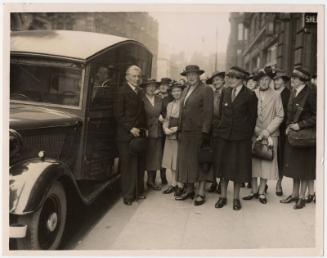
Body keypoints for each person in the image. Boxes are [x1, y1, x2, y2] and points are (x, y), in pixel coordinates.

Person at [213, 66, 258, 210]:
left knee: (238, 170)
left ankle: (236, 198)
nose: (230, 80)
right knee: (223, 168)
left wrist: (246, 136)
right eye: (229, 77)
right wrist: (220, 130)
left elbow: (252, 119)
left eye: (234, 77)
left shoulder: (250, 95)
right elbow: (220, 114)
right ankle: (223, 196)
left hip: (240, 139)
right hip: (224, 137)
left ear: (242, 80)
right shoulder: (225, 92)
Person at [243, 70, 284, 204]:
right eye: (261, 80)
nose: (264, 82)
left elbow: (280, 115)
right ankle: (253, 190)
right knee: (254, 161)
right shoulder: (252, 94)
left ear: (270, 81)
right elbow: (248, 114)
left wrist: (267, 131)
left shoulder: (276, 95)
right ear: (258, 81)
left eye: (267, 80)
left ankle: (261, 191)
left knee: (266, 160)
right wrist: (255, 129)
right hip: (254, 132)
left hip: (270, 134)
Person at [175, 65, 213, 206]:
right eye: (188, 74)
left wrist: (205, 132)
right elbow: (182, 111)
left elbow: (209, 113)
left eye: (193, 74)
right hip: (185, 132)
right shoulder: (185, 89)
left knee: (199, 161)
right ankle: (190, 189)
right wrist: (179, 129)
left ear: (198, 75)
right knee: (187, 162)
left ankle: (201, 192)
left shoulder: (206, 90)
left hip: (198, 132)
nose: (190, 77)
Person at [280, 67, 316, 209]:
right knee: (295, 167)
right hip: (294, 136)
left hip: (305, 137)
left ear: (302, 80)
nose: (292, 80)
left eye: (295, 78)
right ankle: (294, 194)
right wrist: (289, 126)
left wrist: (300, 125)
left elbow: (317, 116)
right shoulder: (294, 92)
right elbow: (290, 113)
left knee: (305, 169)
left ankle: (302, 197)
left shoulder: (311, 93)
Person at [114, 65, 147, 206]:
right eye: (134, 76)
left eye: (139, 76)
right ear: (127, 77)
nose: (137, 79)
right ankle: (128, 195)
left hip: (138, 134)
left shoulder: (140, 92)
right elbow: (118, 114)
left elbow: (142, 113)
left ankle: (137, 192)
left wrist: (143, 129)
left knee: (138, 164)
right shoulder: (121, 92)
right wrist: (130, 128)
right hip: (125, 135)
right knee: (127, 166)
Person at [162, 81, 185, 196]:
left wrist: (177, 128)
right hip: (169, 135)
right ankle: (173, 184)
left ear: (182, 91)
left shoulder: (184, 103)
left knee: (177, 161)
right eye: (174, 91)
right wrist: (165, 128)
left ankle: (180, 185)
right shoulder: (170, 104)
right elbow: (166, 119)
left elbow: (186, 120)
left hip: (179, 135)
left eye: (178, 91)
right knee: (170, 161)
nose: (176, 93)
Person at [142, 79, 164, 191]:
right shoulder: (141, 99)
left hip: (157, 131)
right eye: (149, 86)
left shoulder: (159, 99)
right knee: (146, 156)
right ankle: (143, 181)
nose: (151, 88)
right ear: (145, 88)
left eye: (153, 86)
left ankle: (151, 180)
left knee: (155, 156)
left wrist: (162, 117)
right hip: (146, 132)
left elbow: (164, 112)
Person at [206, 71, 225, 194]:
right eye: (214, 81)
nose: (216, 82)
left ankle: (222, 184)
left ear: (223, 80)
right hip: (212, 129)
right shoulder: (212, 94)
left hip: (223, 129)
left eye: (218, 80)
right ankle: (213, 182)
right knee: (212, 156)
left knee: (222, 157)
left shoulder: (228, 93)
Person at [273, 69, 291, 196]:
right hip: (270, 129)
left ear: (284, 81)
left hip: (282, 130)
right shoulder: (272, 93)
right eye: (274, 80)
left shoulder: (288, 94)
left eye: (278, 79)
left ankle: (279, 183)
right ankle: (263, 183)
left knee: (280, 157)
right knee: (266, 154)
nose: (275, 82)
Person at [156, 77, 174, 186]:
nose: (163, 87)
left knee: (165, 152)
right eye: (161, 85)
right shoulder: (155, 96)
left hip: (167, 128)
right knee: (156, 152)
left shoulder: (171, 98)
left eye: (165, 85)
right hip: (156, 127)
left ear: (168, 87)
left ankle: (163, 176)